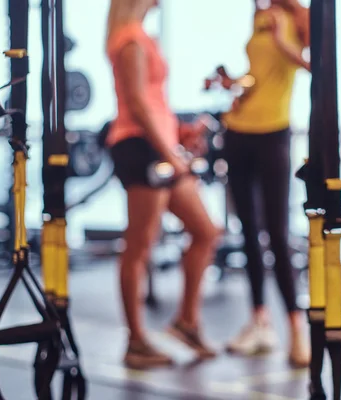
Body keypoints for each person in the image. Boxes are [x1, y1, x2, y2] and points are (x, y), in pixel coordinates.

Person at [106, 0, 221, 369]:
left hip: (157, 144)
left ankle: (187, 321)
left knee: (205, 231)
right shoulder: (130, 40)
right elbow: (138, 105)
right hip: (139, 147)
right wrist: (170, 154)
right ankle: (136, 341)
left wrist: (180, 134)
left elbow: (153, 103)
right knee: (138, 246)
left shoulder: (141, 37)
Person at [217, 0, 311, 367]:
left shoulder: (298, 17)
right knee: (248, 234)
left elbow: (314, 66)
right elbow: (258, 77)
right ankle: (260, 323)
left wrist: (283, 42)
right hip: (238, 130)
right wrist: (234, 85)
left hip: (274, 133)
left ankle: (296, 330)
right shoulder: (257, 14)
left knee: (277, 233)